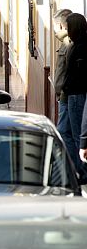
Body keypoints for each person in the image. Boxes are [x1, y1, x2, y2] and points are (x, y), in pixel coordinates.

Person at [53, 9, 80, 172]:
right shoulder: (66, 41)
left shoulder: (69, 43)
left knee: (66, 132)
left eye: (57, 26)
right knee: (67, 132)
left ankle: (75, 168)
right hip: (65, 94)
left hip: (68, 95)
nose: (55, 30)